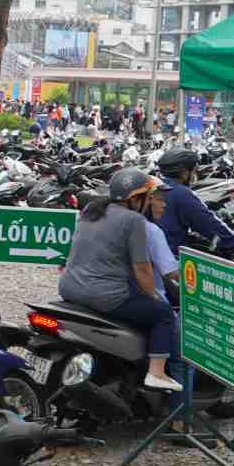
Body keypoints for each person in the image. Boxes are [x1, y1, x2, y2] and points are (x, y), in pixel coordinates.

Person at [59, 168, 183, 392]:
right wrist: (153, 298)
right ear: (135, 198)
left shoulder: (91, 211)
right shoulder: (134, 220)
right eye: (148, 197)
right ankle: (156, 373)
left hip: (69, 289)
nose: (151, 202)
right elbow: (142, 269)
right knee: (163, 314)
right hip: (104, 296)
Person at [155, 148, 234, 258]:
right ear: (184, 173)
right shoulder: (180, 192)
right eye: (194, 171)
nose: (195, 175)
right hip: (170, 256)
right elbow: (206, 222)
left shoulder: (152, 185)